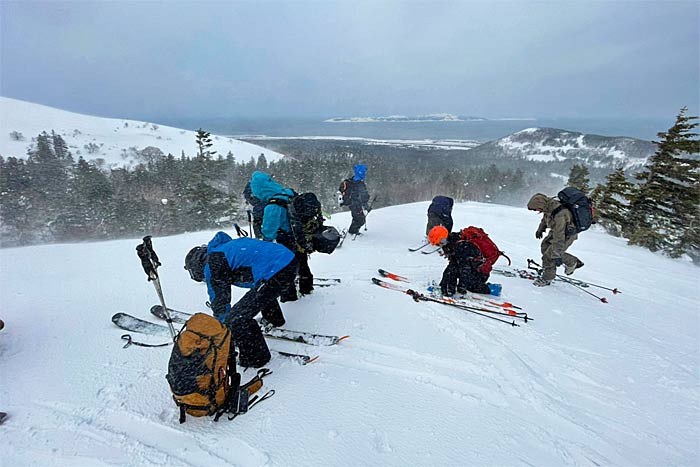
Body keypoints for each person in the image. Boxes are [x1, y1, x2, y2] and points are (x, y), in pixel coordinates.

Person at [184, 232, 297, 368]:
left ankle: (257, 358)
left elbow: (220, 301)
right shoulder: (223, 249)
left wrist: (223, 331)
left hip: (277, 270)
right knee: (260, 291)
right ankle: (275, 319)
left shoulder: (213, 262)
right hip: (289, 260)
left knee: (237, 318)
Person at [249, 171, 313, 301]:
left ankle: (289, 297)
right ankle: (307, 288)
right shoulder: (287, 193)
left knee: (286, 267)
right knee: (302, 261)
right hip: (299, 236)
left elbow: (268, 232)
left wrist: (263, 241)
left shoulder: (273, 205)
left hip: (286, 239)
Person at [527, 193, 584, 287]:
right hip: (557, 232)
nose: (536, 211)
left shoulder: (560, 214)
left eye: (536, 209)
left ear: (540, 205)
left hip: (566, 235)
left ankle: (547, 277)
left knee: (549, 256)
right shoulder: (549, 207)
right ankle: (558, 265)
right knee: (545, 247)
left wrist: (556, 254)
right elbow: (545, 219)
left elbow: (560, 236)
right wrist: (540, 229)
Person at [427, 225, 499, 296]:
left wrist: (462, 287)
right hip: (472, 268)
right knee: (453, 268)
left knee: (471, 287)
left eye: (441, 242)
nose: (441, 245)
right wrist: (444, 283)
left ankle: (491, 289)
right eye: (438, 244)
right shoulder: (452, 242)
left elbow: (465, 268)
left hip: (480, 273)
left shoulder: (462, 246)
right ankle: (449, 288)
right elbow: (452, 265)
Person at [339, 164, 371, 235]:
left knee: (358, 218)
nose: (364, 174)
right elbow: (363, 196)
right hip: (354, 204)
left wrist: (365, 205)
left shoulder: (352, 182)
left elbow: (363, 196)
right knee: (360, 219)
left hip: (353, 203)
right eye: (363, 172)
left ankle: (353, 231)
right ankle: (352, 232)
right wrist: (366, 205)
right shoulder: (359, 183)